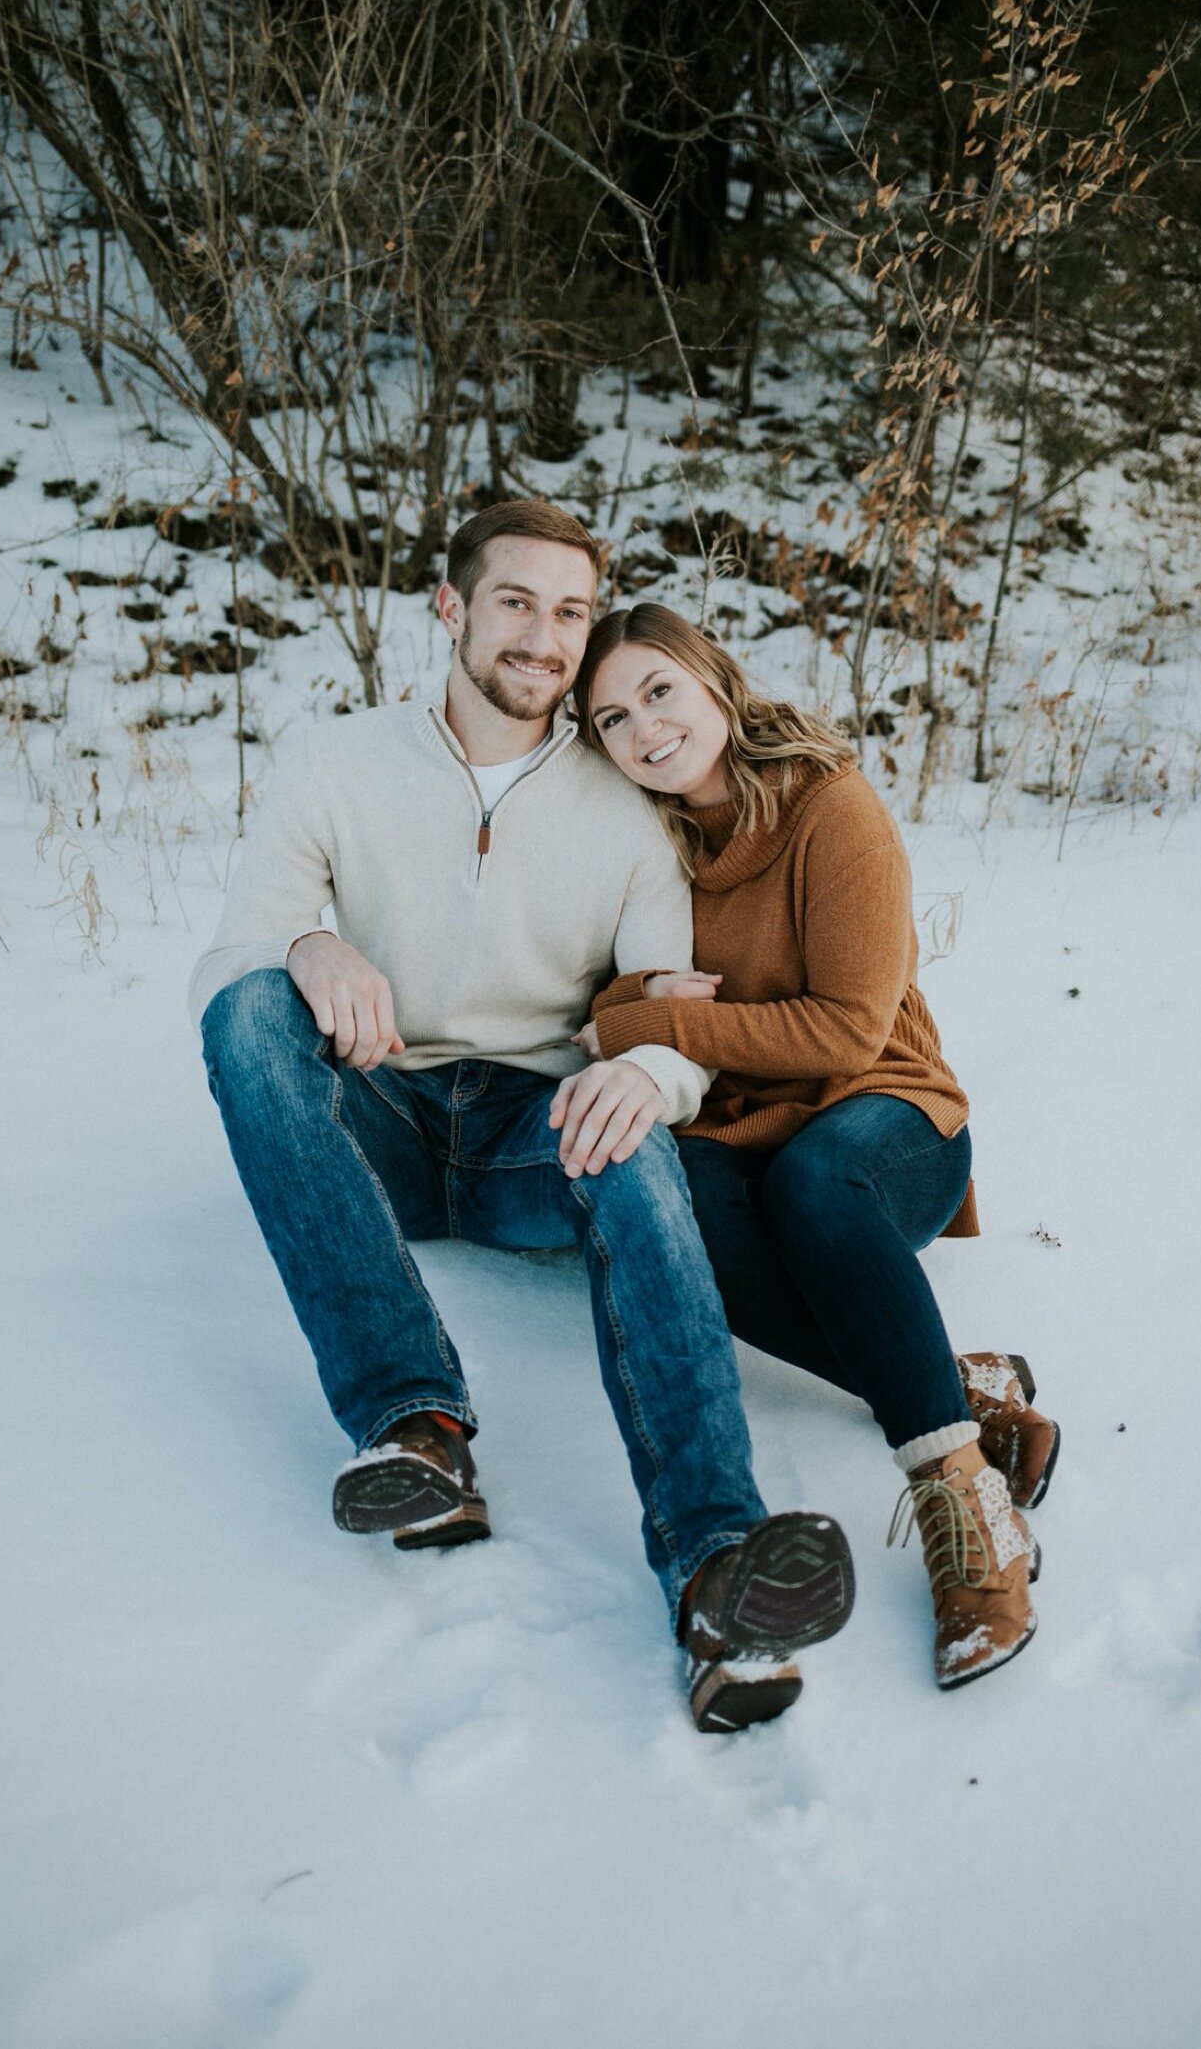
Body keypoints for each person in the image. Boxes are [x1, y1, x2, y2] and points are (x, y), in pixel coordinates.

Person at [190, 501, 854, 1734]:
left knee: (634, 1137)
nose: (544, 637)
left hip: (525, 1132)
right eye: (515, 602)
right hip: (372, 1101)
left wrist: (647, 1077)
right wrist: (306, 941)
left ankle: (717, 1566)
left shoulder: (627, 807)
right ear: (452, 607)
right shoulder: (334, 758)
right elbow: (235, 945)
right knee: (242, 1013)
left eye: (568, 612)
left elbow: (672, 1006)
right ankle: (417, 1431)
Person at [574, 602, 1061, 1689]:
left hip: (891, 1118)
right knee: (664, 1203)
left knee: (815, 1184)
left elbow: (844, 1027)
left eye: (659, 691)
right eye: (612, 718)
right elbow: (597, 1004)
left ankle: (968, 1507)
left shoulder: (829, 809)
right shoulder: (638, 847)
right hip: (749, 1128)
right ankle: (955, 1386)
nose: (645, 730)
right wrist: (626, 1012)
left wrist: (653, 1020)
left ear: (712, 680)